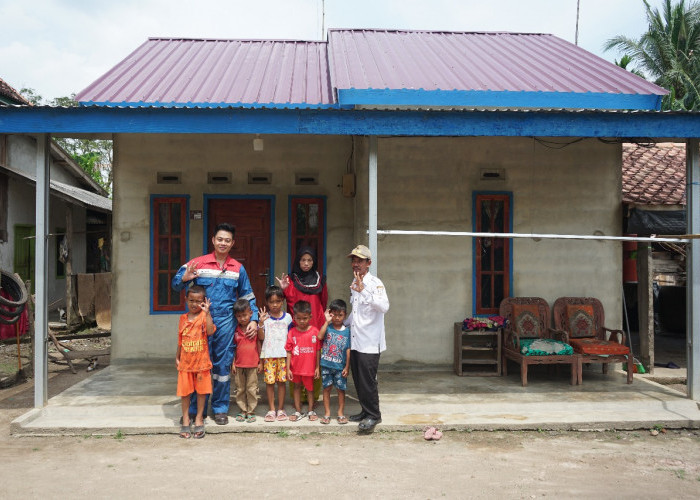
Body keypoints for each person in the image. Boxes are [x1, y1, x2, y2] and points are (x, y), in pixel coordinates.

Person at [172, 222, 259, 425]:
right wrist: (185, 278)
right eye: (219, 239)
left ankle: (220, 408)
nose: (223, 243)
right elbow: (176, 284)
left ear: (232, 243)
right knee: (198, 366)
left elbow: (248, 296)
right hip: (200, 324)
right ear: (213, 240)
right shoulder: (198, 264)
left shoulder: (238, 268)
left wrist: (253, 319)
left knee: (222, 367)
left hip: (226, 323)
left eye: (227, 240)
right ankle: (193, 409)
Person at [345, 244, 390, 433]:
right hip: (356, 340)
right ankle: (365, 411)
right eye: (354, 261)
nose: (356, 264)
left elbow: (384, 306)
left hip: (370, 342)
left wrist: (363, 290)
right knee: (358, 379)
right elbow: (355, 313)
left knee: (368, 380)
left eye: (360, 261)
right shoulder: (355, 283)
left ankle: (374, 415)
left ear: (368, 263)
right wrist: (339, 324)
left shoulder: (375, 284)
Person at [277, 246, 327, 402]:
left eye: (309, 260)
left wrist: (321, 321)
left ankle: (313, 396)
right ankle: (298, 396)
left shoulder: (321, 279)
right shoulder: (292, 279)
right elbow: (291, 301)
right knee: (298, 359)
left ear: (314, 262)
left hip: (316, 325)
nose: (306, 263)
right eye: (303, 260)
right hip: (298, 327)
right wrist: (284, 289)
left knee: (314, 360)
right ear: (298, 261)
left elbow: (323, 302)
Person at [176, 285, 215, 439]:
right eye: (191, 300)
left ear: (203, 302)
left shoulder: (204, 317)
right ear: (186, 300)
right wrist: (177, 356)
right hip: (185, 363)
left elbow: (211, 331)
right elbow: (180, 339)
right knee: (185, 393)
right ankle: (186, 418)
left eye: (198, 301)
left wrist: (207, 313)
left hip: (202, 363)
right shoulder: (183, 318)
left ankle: (199, 417)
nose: (194, 304)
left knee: (201, 392)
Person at [258, 285, 293, 422]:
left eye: (278, 301)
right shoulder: (265, 319)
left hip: (284, 356)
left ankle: (281, 408)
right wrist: (260, 323)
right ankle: (272, 409)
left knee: (282, 382)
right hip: (269, 356)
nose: (275, 305)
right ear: (267, 302)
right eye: (271, 302)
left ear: (282, 301)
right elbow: (261, 337)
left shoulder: (288, 318)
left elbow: (291, 337)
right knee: (270, 383)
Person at [285, 300, 320, 422]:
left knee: (310, 389)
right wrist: (288, 368)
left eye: (304, 318)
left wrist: (317, 367)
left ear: (310, 316)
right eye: (298, 318)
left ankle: (311, 410)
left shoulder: (315, 332)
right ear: (294, 317)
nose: (302, 321)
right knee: (296, 387)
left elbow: (317, 351)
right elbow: (289, 351)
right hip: (296, 368)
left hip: (309, 368)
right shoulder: (292, 332)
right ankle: (298, 411)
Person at [317, 300, 351, 425]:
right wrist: (326, 321)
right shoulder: (328, 328)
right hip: (326, 365)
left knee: (341, 390)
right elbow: (319, 337)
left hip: (340, 367)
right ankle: (327, 414)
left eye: (340, 315)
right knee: (326, 389)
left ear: (345, 315)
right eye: (334, 315)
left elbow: (348, 350)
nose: (337, 318)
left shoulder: (347, 331)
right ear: (330, 314)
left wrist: (347, 367)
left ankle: (340, 413)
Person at [232, 298, 262, 423]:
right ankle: (243, 410)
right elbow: (233, 348)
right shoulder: (235, 330)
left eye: (245, 315)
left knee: (251, 388)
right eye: (239, 316)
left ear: (251, 313)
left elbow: (260, 343)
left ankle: (251, 411)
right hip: (239, 365)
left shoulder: (253, 330)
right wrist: (233, 363)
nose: (243, 318)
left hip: (253, 364)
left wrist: (261, 361)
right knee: (240, 389)